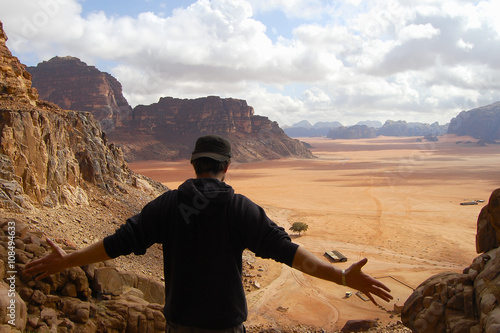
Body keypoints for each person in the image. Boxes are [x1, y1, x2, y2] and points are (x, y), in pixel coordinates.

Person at [25, 134, 392, 332]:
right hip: (225, 326)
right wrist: (341, 276)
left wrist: (67, 261)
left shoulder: (166, 205)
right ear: (227, 167)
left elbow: (115, 245)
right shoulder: (240, 208)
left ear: (194, 165)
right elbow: (290, 254)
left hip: (179, 323)